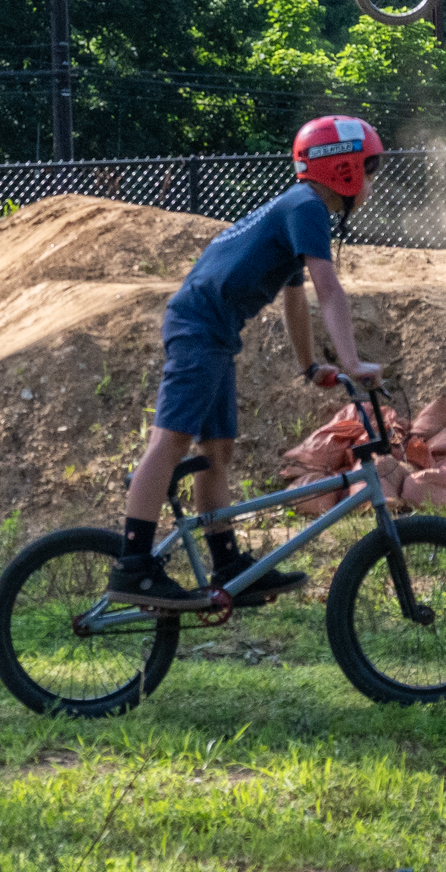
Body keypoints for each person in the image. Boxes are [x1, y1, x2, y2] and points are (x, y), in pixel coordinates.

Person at [107, 115, 386, 610]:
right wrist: (352, 360)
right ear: (343, 168)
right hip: (199, 328)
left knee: (218, 452)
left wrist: (311, 366)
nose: (370, 179)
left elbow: (294, 294)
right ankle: (134, 565)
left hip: (212, 331)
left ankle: (227, 562)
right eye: (368, 166)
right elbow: (329, 287)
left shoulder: (297, 207)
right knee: (170, 444)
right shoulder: (307, 207)